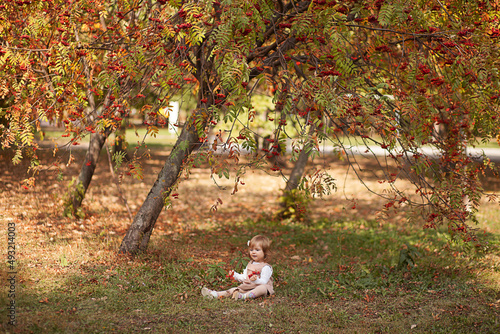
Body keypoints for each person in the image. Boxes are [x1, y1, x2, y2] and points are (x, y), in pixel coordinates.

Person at [202, 235, 274, 300]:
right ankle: (214, 294)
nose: (253, 252)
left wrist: (255, 280)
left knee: (262, 288)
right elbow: (244, 277)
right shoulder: (250, 264)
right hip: (248, 287)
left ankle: (243, 296)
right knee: (234, 289)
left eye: (257, 250)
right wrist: (235, 275)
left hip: (260, 287)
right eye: (251, 250)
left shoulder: (266, 267)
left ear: (265, 252)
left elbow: (264, 281)